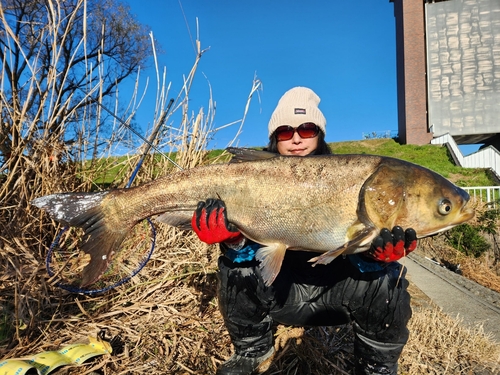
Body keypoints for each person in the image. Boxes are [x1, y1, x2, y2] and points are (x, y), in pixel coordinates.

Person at [191, 87, 417, 375]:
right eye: (285, 132)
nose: (296, 138)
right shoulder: (250, 179)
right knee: (234, 267)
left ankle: (377, 366)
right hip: (280, 293)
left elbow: (355, 253)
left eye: (307, 129)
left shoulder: (352, 179)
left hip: (336, 296)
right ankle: (252, 352)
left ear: (320, 135)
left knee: (389, 278)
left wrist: (375, 257)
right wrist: (234, 241)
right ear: (274, 139)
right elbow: (248, 255)